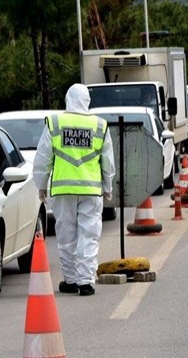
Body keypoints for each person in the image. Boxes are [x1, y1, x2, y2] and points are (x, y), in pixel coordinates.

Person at [33, 83, 115, 296]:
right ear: (87, 101)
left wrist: (41, 185)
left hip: (63, 190)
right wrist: (108, 186)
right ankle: (86, 281)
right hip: (90, 189)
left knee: (66, 235)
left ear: (67, 100)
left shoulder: (56, 123)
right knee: (89, 234)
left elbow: (43, 157)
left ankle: (70, 280)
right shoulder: (99, 125)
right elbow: (107, 160)